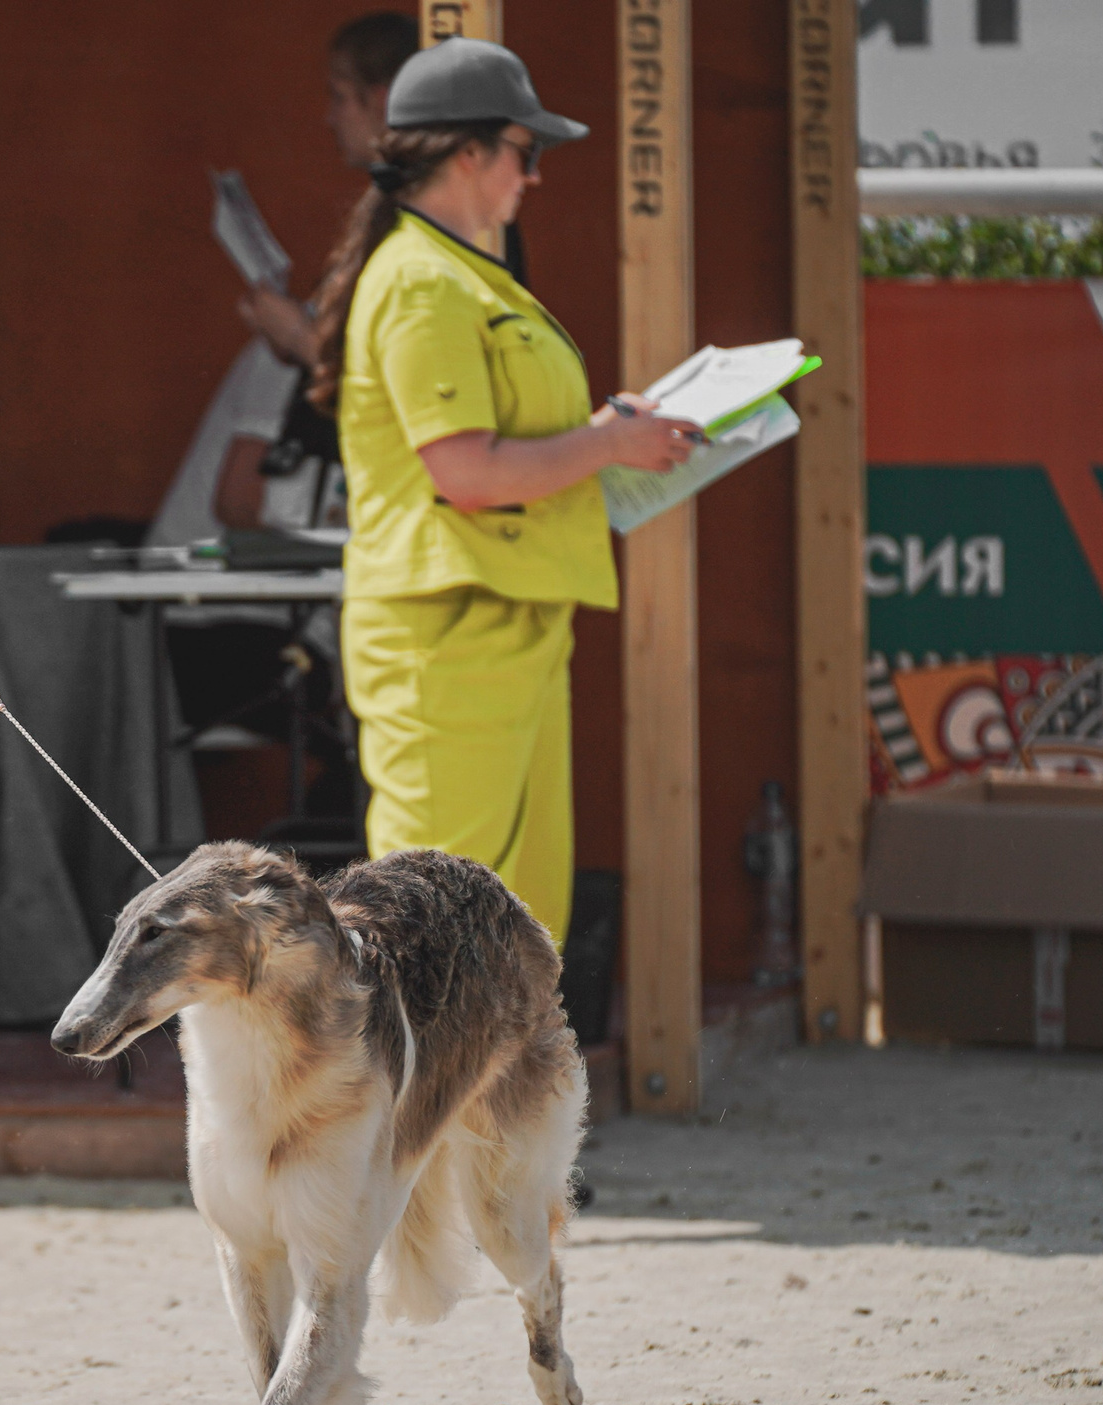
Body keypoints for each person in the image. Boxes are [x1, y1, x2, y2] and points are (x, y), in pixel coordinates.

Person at [314, 37, 698, 945]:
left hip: (504, 628)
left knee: (515, 937)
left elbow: (504, 447)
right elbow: (469, 471)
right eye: (529, 152)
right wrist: (611, 442)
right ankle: (413, 1096)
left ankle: (485, 1096)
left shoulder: (464, 276)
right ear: (470, 152)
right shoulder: (420, 283)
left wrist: (611, 434)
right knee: (432, 935)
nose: (535, 178)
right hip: (446, 638)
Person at [148, 13, 417, 553]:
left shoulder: (415, 230)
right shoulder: (385, 221)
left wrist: (299, 341)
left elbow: (400, 381)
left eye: (340, 97)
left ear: (384, 101)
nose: (329, 117)